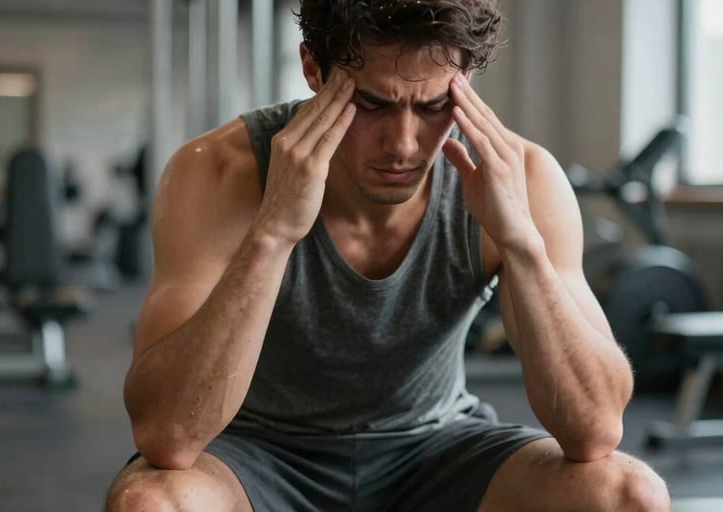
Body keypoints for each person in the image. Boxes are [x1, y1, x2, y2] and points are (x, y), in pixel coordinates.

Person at [106, 1, 671, 510]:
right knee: (152, 504)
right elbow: (166, 434)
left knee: (627, 495)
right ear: (313, 69)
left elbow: (596, 430)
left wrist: (520, 242)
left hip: (437, 451)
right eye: (372, 104)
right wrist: (273, 232)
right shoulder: (218, 171)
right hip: (258, 457)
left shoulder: (522, 178)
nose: (403, 144)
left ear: (465, 80)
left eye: (432, 105)